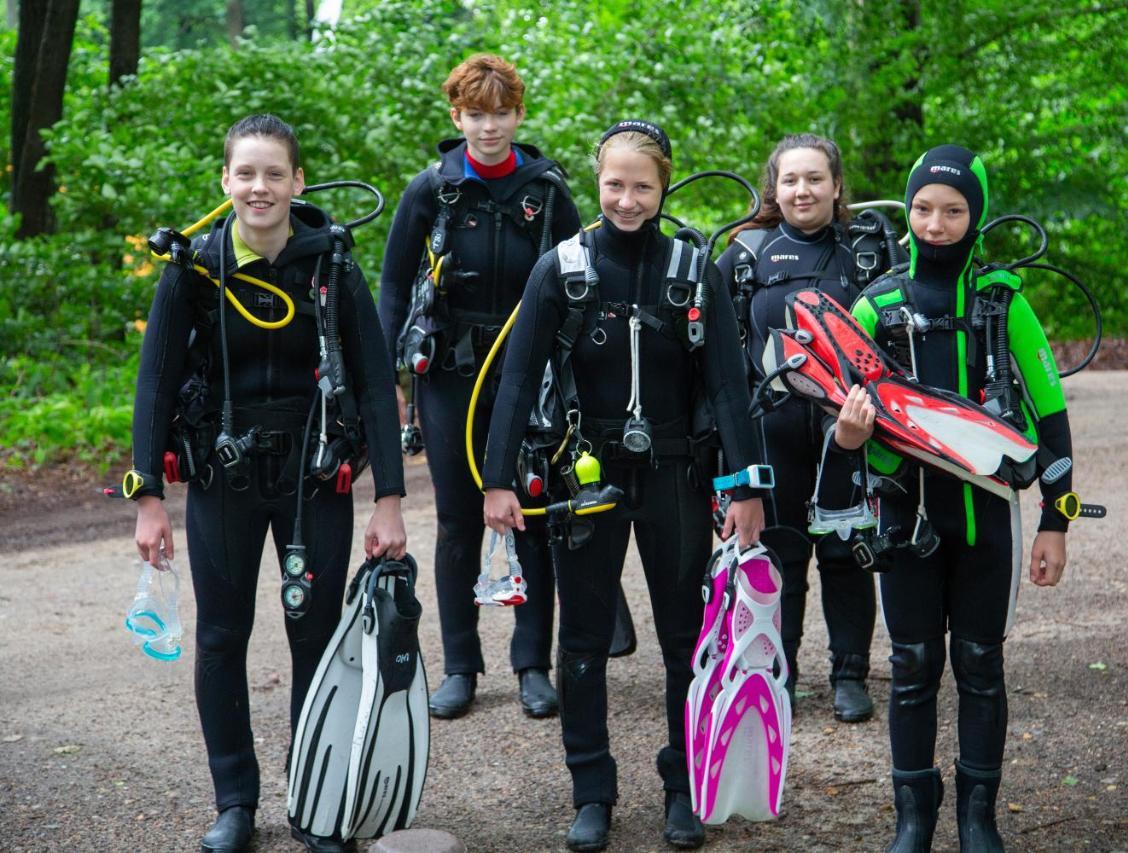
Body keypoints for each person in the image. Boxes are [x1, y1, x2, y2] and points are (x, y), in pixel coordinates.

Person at [482, 120, 766, 851]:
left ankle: (682, 786)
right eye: (614, 184)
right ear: (595, 180)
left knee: (682, 638)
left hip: (673, 472)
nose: (627, 199)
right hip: (587, 476)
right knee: (579, 640)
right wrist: (497, 480)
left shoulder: (692, 269)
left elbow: (730, 387)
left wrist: (746, 488)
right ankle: (592, 790)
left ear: (664, 185)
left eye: (643, 186)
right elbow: (515, 380)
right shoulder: (563, 267)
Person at [130, 114, 407, 853]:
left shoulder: (332, 267)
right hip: (223, 479)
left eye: (273, 173)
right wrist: (148, 498)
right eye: (245, 173)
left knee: (315, 639)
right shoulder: (192, 270)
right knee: (223, 636)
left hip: (313, 477)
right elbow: (154, 383)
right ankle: (235, 802)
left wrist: (389, 498)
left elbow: (378, 385)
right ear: (225, 182)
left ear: (298, 182)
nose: (259, 187)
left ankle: (315, 800)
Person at [836, 144, 1074, 852]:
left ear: (976, 216)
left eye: (953, 210)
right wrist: (849, 434)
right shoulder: (875, 304)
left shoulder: (1005, 304)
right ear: (907, 213)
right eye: (923, 209)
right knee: (910, 664)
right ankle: (914, 819)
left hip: (985, 518)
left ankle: (979, 817)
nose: (936, 223)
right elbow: (840, 423)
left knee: (979, 660)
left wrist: (1056, 521)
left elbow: (1053, 415)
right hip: (904, 516)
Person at [378, 54, 581, 721]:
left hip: (531, 378)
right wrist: (384, 376)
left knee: (531, 510)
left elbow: (582, 280)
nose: (488, 127)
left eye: (500, 114)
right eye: (475, 114)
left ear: (518, 114)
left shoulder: (546, 190)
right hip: (450, 376)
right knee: (459, 518)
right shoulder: (431, 189)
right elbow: (393, 284)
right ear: (456, 115)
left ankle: (532, 664)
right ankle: (461, 664)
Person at [716, 133, 892, 723]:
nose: (802, 190)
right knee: (778, 554)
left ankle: (849, 675)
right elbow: (717, 355)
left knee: (844, 554)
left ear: (837, 186)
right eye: (790, 180)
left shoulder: (863, 253)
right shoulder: (747, 253)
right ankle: (776, 673)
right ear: (773, 188)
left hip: (847, 428)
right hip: (772, 427)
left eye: (815, 178)